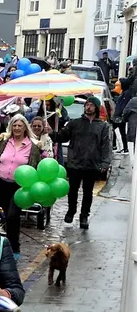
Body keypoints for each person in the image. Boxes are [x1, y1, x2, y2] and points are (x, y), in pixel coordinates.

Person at [0, 114, 40, 260]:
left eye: (19, 126)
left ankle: (14, 247)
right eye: (14, 126)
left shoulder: (32, 147)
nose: (16, 128)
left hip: (18, 188)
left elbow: (34, 167)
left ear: (25, 128)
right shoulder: (5, 142)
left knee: (12, 217)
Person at [55, 97, 112, 229]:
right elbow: (62, 136)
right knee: (73, 190)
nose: (88, 107)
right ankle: (71, 210)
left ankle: (84, 215)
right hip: (75, 162)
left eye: (91, 105)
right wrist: (52, 133)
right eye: (87, 105)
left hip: (91, 165)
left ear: (96, 108)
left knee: (88, 192)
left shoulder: (102, 126)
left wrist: (105, 163)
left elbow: (105, 146)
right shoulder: (75, 123)